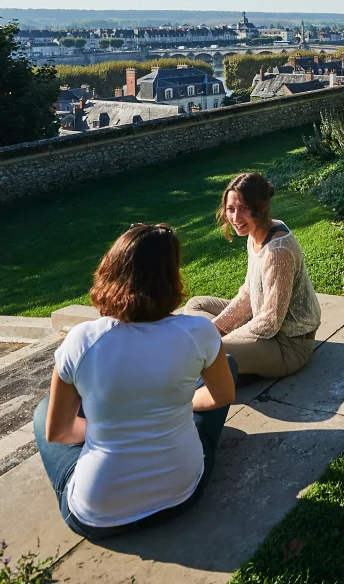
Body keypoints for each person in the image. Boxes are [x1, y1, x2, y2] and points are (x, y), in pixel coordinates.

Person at [33, 223, 237, 539]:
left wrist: (118, 428)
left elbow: (58, 431)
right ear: (172, 277)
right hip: (182, 494)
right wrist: (175, 409)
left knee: (43, 412)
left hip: (98, 515)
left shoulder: (82, 341)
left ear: (110, 270)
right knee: (229, 368)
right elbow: (222, 395)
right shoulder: (199, 333)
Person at [184, 172, 321, 378]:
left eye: (244, 208)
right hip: (263, 322)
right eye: (231, 209)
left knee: (204, 353)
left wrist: (219, 339)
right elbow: (248, 293)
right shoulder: (257, 232)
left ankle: (225, 364)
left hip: (288, 345)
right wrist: (215, 330)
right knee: (196, 305)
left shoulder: (278, 251)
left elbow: (271, 321)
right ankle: (230, 362)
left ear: (263, 206)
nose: (235, 218)